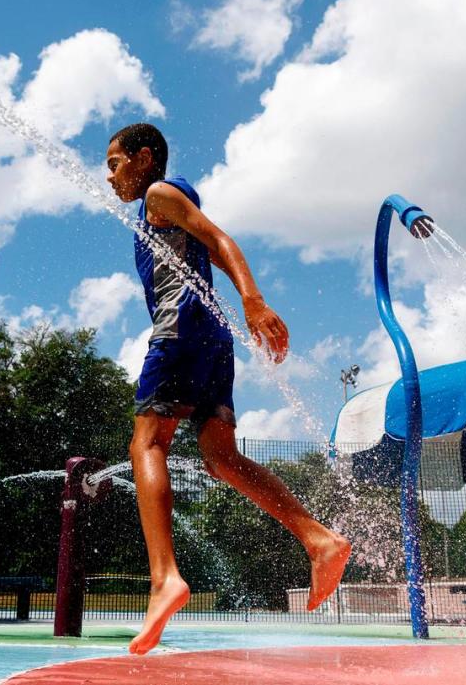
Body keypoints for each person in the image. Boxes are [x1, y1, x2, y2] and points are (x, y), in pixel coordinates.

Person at [106, 123, 351, 655]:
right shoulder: (166, 211)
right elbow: (216, 250)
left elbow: (221, 239)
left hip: (178, 332)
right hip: (213, 339)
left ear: (144, 158)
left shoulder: (158, 194)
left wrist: (255, 301)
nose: (110, 176)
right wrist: (245, 299)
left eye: (115, 162)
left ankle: (164, 578)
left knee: (146, 444)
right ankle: (318, 538)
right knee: (219, 457)